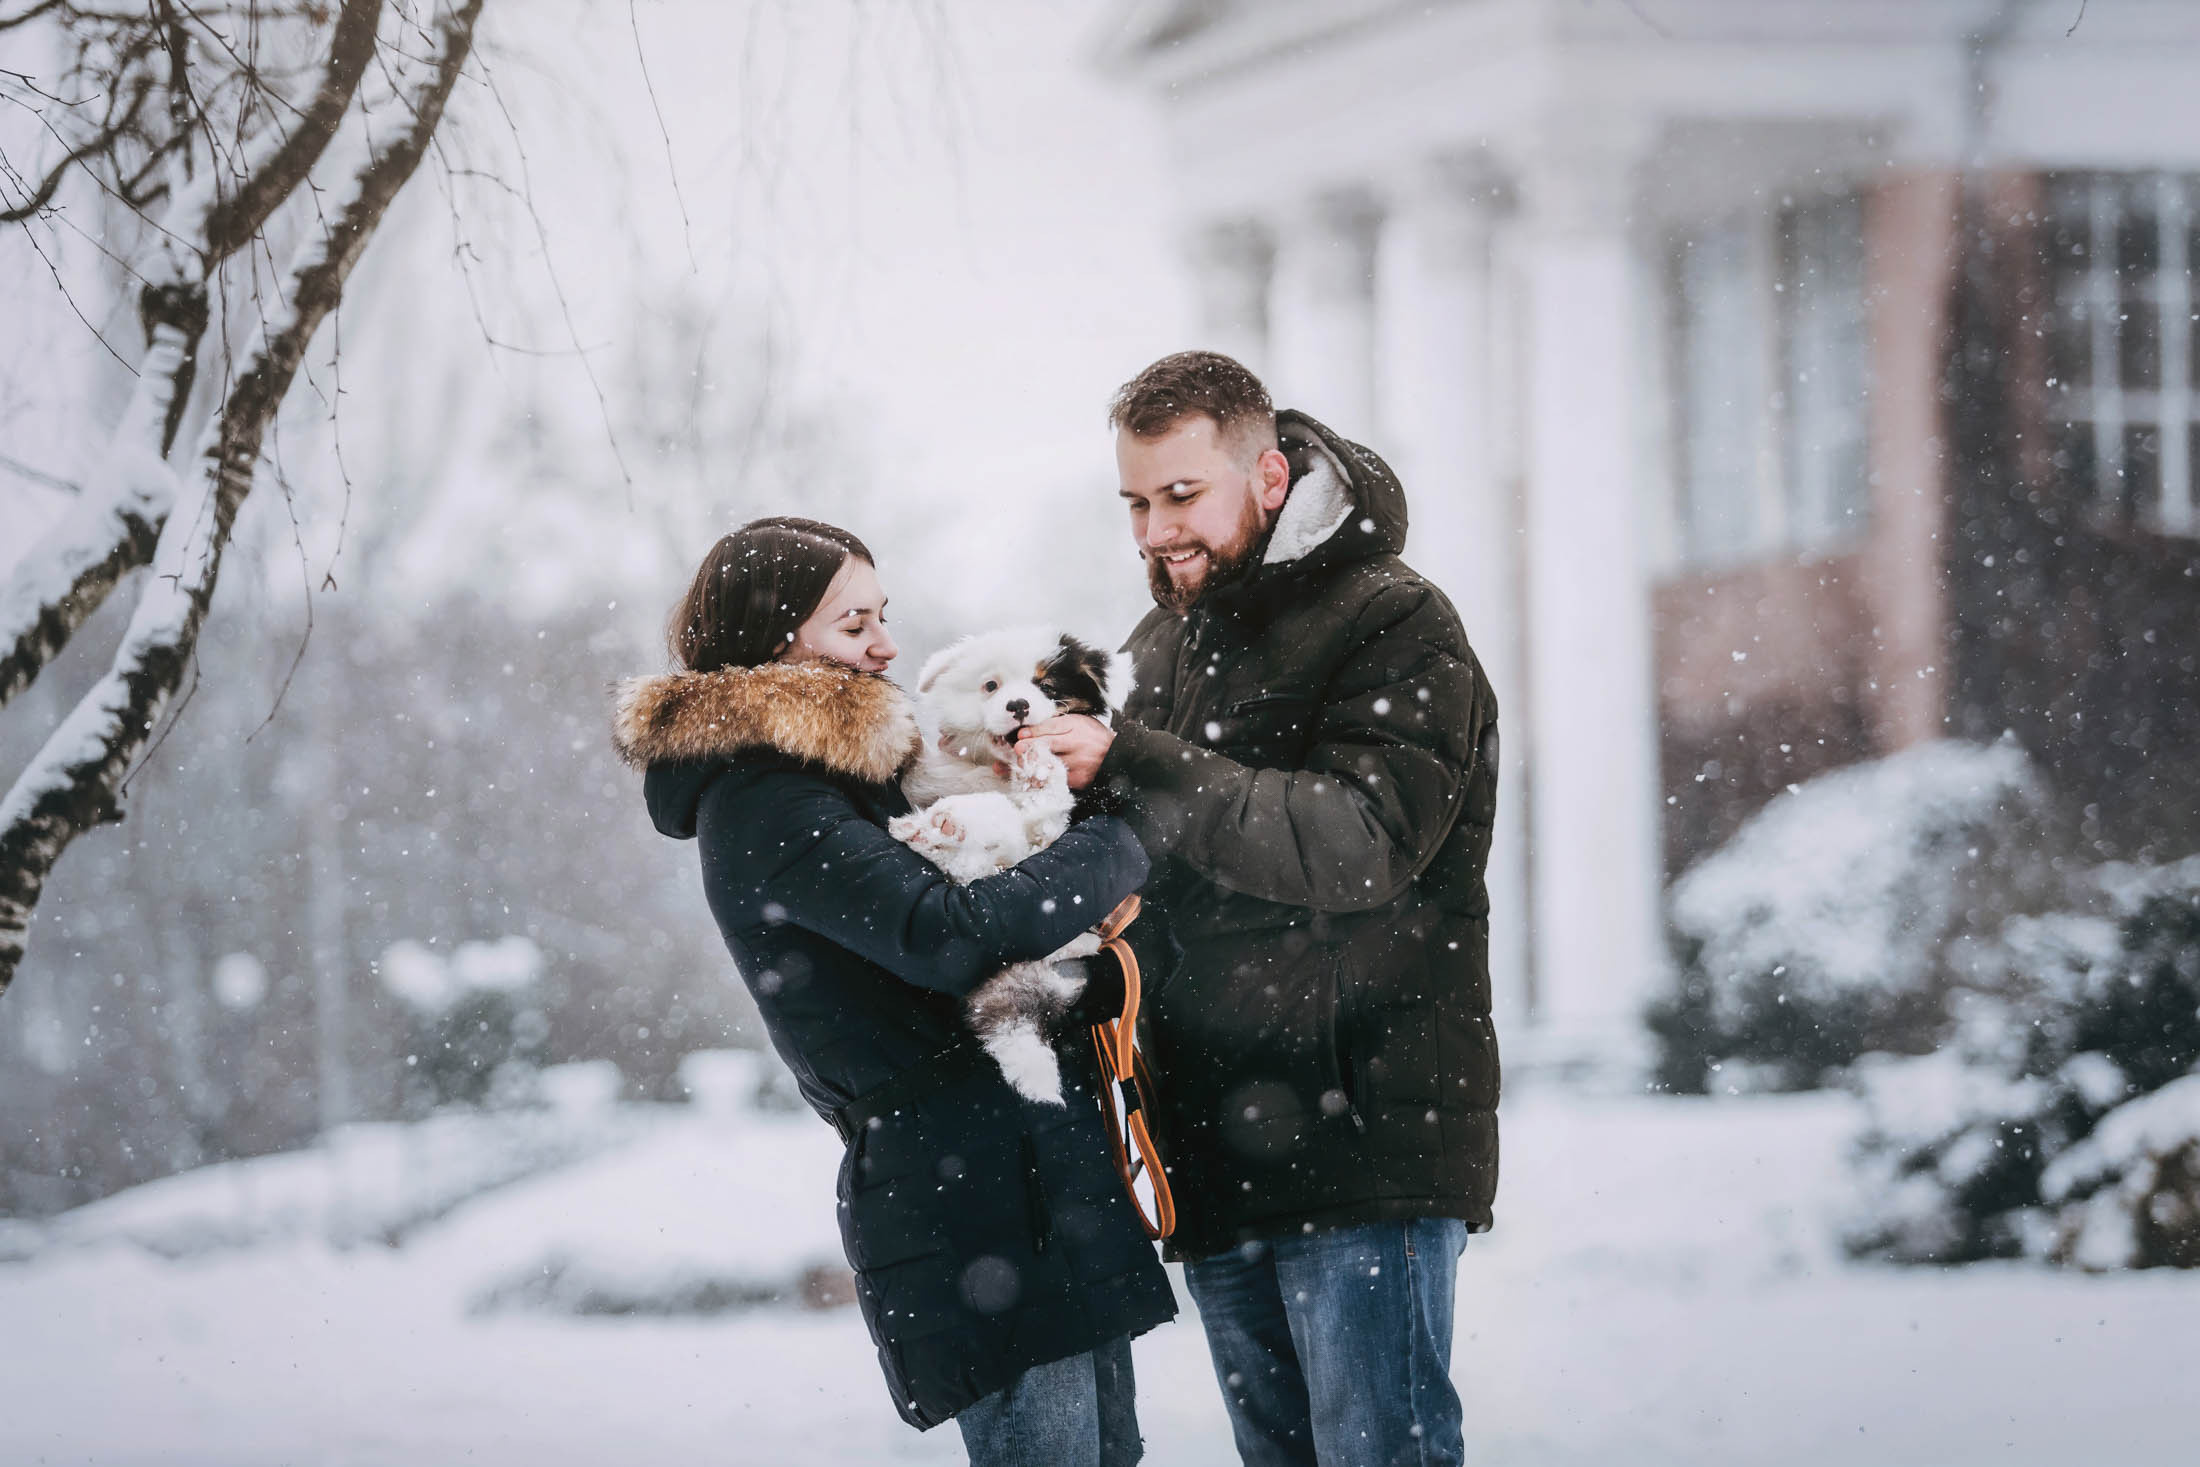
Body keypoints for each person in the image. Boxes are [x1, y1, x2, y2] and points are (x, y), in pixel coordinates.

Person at [1020, 353, 1501, 1467]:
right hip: (1217, 1152)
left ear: (1271, 476)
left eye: (1181, 495)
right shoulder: (1155, 647)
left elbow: (1361, 844)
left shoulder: (1392, 619)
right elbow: (1162, 882)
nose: (1153, 531)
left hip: (1362, 1137)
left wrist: (1131, 760)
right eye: (1136, 503)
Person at [614, 515, 1176, 1466]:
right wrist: (1118, 833)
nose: (886, 645)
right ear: (771, 638)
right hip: (968, 1191)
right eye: (853, 624)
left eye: (884, 614)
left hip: (1022, 1169)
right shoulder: (768, 799)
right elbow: (951, 938)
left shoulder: (853, 783)